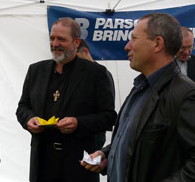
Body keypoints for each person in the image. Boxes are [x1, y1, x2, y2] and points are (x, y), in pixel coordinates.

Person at [81, 13, 195, 182]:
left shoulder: (185, 94)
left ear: (157, 44)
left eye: (134, 39)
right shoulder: (141, 87)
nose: (127, 46)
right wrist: (108, 154)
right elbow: (137, 139)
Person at [16, 17, 117, 182]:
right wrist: (29, 119)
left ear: (76, 43)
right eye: (52, 38)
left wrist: (79, 123)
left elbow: (108, 117)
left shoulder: (96, 73)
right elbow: (23, 107)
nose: (55, 43)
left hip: (78, 164)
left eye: (61, 39)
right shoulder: (36, 70)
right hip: (42, 162)